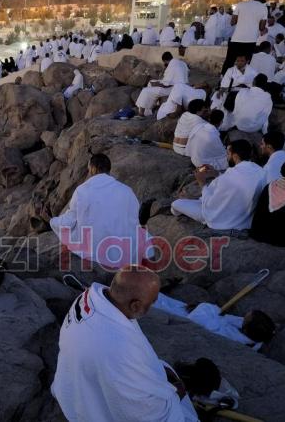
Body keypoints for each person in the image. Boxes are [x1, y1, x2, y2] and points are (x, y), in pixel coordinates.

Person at [51, 266, 199, 422]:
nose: (152, 305)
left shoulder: (91, 298)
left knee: (164, 370)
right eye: (151, 302)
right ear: (135, 305)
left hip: (72, 384)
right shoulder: (118, 348)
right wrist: (175, 395)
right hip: (89, 408)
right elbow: (138, 412)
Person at [47, 154, 143, 268]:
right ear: (109, 169)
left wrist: (51, 221)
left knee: (74, 233)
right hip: (125, 256)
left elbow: (69, 221)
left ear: (91, 169)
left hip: (95, 256)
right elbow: (135, 221)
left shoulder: (83, 190)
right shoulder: (127, 191)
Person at [172, 140, 265, 230]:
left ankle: (176, 214)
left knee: (176, 203)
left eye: (228, 154)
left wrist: (202, 183)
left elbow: (210, 205)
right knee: (195, 201)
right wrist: (216, 174)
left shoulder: (228, 176)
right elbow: (237, 180)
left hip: (221, 220)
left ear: (235, 156)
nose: (227, 157)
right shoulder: (260, 171)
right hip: (245, 219)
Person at [221, 0, 268, 75]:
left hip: (237, 38)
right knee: (246, 62)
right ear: (261, 0)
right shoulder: (263, 8)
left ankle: (223, 79)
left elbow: (232, 22)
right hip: (251, 40)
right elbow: (261, 28)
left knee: (230, 60)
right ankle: (242, 80)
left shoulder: (240, 4)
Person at [135, 52, 189, 117]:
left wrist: (156, 84)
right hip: (182, 86)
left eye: (165, 63)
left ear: (165, 61)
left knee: (145, 91)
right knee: (151, 82)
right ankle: (151, 107)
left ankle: (141, 113)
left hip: (174, 89)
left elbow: (166, 85)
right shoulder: (181, 63)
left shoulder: (172, 65)